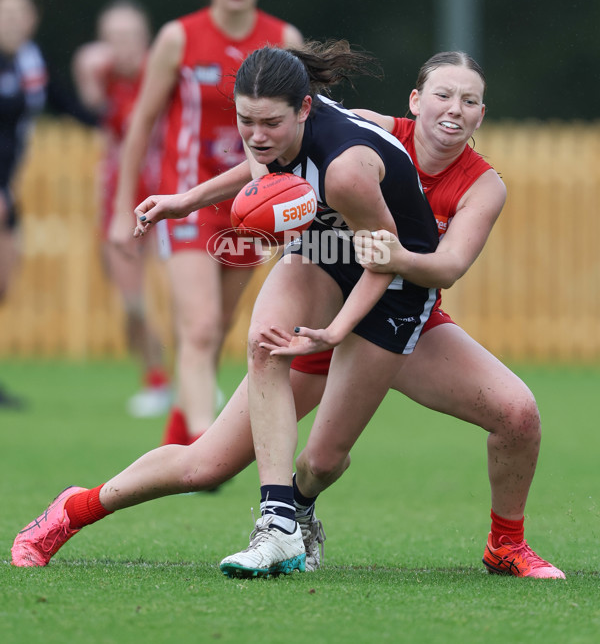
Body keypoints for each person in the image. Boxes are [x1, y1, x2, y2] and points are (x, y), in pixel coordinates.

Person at [11, 51, 564, 580]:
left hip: (396, 303)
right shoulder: (335, 127)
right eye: (444, 94)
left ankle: (501, 544)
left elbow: (440, 269)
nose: (454, 109)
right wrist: (186, 200)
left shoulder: (467, 182)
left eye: (469, 101)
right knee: (213, 450)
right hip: (323, 269)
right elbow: (269, 168)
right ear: (416, 101)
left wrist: (338, 330)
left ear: (482, 114)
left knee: (353, 455)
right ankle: (92, 511)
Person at [109, 0, 303, 446]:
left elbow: (307, 125)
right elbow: (141, 124)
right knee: (197, 326)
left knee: (217, 330)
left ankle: (180, 429)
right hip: (186, 199)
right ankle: (201, 445)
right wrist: (120, 207)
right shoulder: (178, 37)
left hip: (252, 203)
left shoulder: (284, 41)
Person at [0, 0, 97, 408]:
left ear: (33, 19)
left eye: (20, 12)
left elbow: (73, 110)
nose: (13, 21)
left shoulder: (31, 63)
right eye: (5, 12)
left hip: (8, 189)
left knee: (4, 282)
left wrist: (124, 113)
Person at [72, 0, 171, 418]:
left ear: (146, 38)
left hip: (168, 195)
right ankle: (155, 378)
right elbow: (88, 88)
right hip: (120, 199)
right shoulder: (102, 74)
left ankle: (188, 381)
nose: (123, 45)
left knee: (181, 297)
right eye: (114, 36)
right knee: (132, 301)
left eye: (130, 35)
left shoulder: (163, 72)